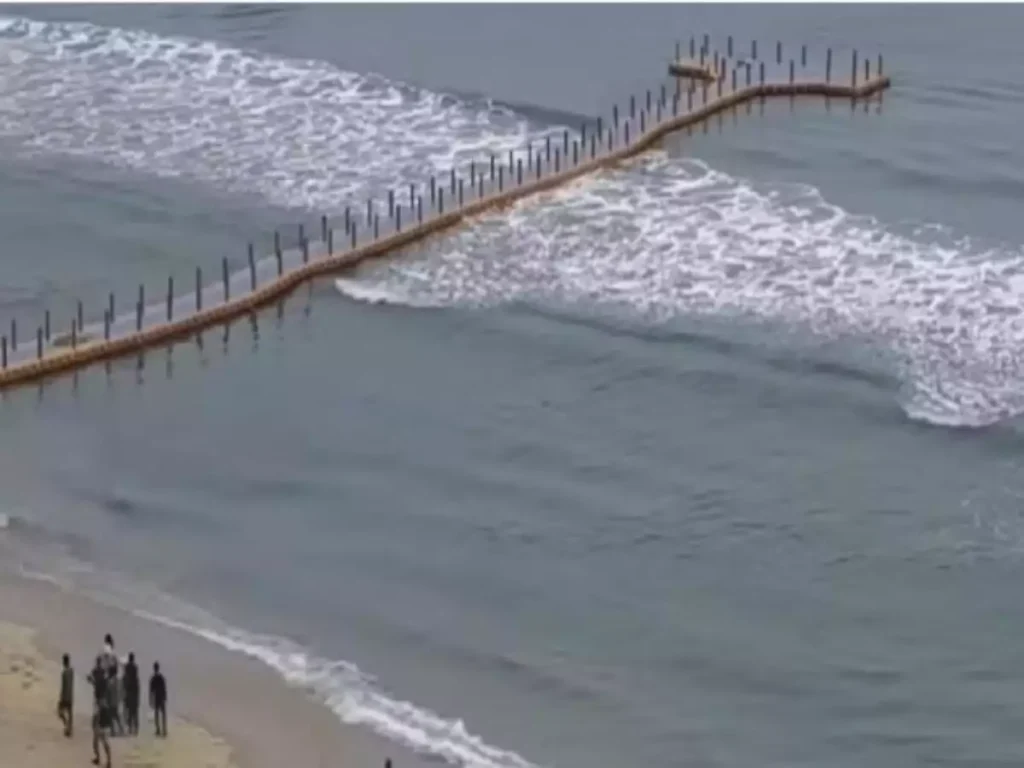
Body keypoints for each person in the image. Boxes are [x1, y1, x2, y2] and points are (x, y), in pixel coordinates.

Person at [87, 656, 112, 768]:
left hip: (98, 702)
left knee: (96, 739)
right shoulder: (103, 675)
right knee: (105, 741)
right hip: (103, 703)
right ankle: (108, 761)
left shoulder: (97, 673)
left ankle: (99, 758)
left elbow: (93, 682)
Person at [122, 652, 140, 736]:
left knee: (129, 711)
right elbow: (137, 688)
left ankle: (130, 728)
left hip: (129, 693)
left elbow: (124, 683)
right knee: (134, 712)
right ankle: (135, 729)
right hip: (134, 693)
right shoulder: (135, 679)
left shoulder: (127, 673)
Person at [56, 653, 74, 737]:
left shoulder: (64, 672)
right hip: (71, 695)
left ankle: (67, 726)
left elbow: (64, 686)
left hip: (65, 696)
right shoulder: (71, 671)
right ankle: (69, 729)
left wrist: (61, 697)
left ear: (64, 661)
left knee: (60, 712)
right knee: (70, 713)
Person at [149, 661, 167, 737]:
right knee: (163, 714)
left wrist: (150, 700)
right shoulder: (161, 677)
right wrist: (165, 697)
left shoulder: (153, 678)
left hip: (156, 697)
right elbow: (164, 688)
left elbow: (151, 691)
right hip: (161, 697)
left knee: (157, 714)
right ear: (158, 668)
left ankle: (158, 730)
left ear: (154, 668)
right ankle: (164, 730)